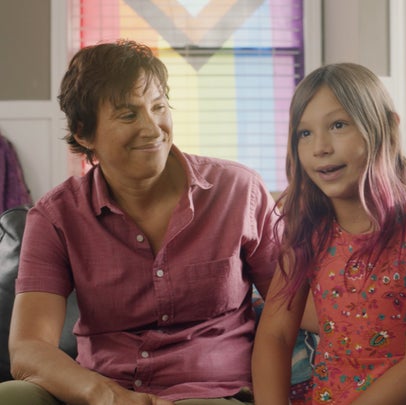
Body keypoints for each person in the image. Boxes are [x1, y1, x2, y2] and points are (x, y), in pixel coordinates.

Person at [0, 40, 279, 404]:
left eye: (159, 106)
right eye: (128, 115)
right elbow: (28, 349)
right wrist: (109, 396)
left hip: (212, 393)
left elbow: (297, 304)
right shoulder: (55, 218)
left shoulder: (239, 191)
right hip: (98, 393)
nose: (152, 129)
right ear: (84, 133)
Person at [251, 63, 406, 405]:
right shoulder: (308, 228)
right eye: (304, 133)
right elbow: (275, 335)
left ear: (388, 129)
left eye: (338, 125)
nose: (320, 147)